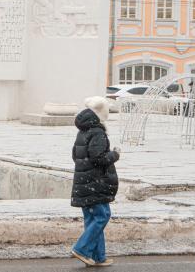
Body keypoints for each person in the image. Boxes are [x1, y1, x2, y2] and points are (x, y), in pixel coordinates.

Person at [70, 96, 120, 267]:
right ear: (99, 111)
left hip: (84, 182)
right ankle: (81, 249)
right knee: (102, 215)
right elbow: (98, 158)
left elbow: (75, 155)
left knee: (93, 218)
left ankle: (99, 257)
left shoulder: (83, 131)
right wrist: (115, 155)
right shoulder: (97, 132)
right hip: (95, 183)